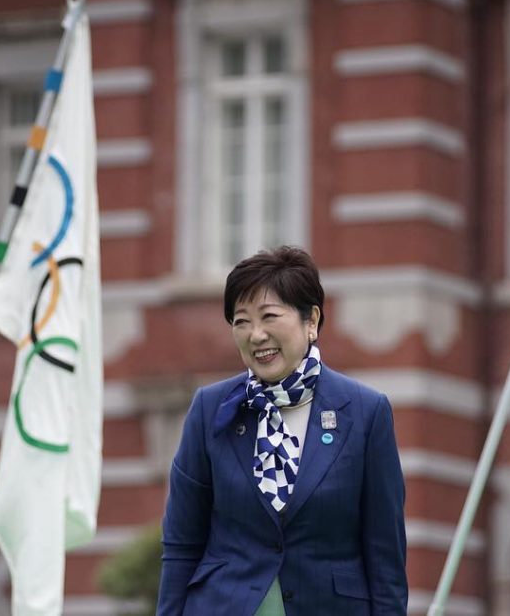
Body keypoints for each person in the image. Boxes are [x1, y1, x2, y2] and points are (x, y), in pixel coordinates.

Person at [156, 246, 408, 616]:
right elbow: (182, 543)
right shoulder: (210, 409)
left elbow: (385, 554)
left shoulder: (365, 412)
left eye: (268, 316)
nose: (255, 335)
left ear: (311, 320)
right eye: (241, 321)